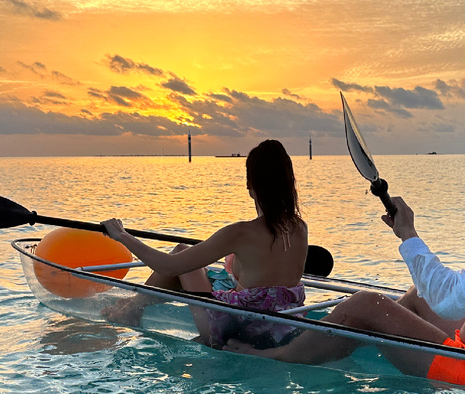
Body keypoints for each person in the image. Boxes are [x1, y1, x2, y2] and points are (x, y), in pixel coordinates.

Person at [229, 127, 465, 389]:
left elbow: (450, 300)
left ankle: (278, 357)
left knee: (367, 304)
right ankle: (364, 338)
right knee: (417, 296)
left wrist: (408, 235)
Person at [101, 139, 309, 345]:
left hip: (235, 329)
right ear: (289, 182)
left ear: (250, 185)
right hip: (284, 327)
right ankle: (131, 307)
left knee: (180, 254)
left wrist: (122, 235)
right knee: (187, 256)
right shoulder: (300, 228)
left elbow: (167, 266)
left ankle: (130, 311)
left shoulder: (241, 233)